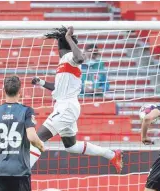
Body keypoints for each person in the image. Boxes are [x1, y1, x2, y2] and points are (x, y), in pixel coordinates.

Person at [30, 26, 123, 173]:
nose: (57, 48)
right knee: (71, 146)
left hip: (66, 107)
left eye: (58, 45)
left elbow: (80, 58)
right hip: (66, 105)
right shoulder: (64, 62)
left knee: (38, 138)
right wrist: (41, 83)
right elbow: (58, 87)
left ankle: (20, 173)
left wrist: (67, 38)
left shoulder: (69, 58)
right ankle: (111, 154)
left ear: (62, 46)